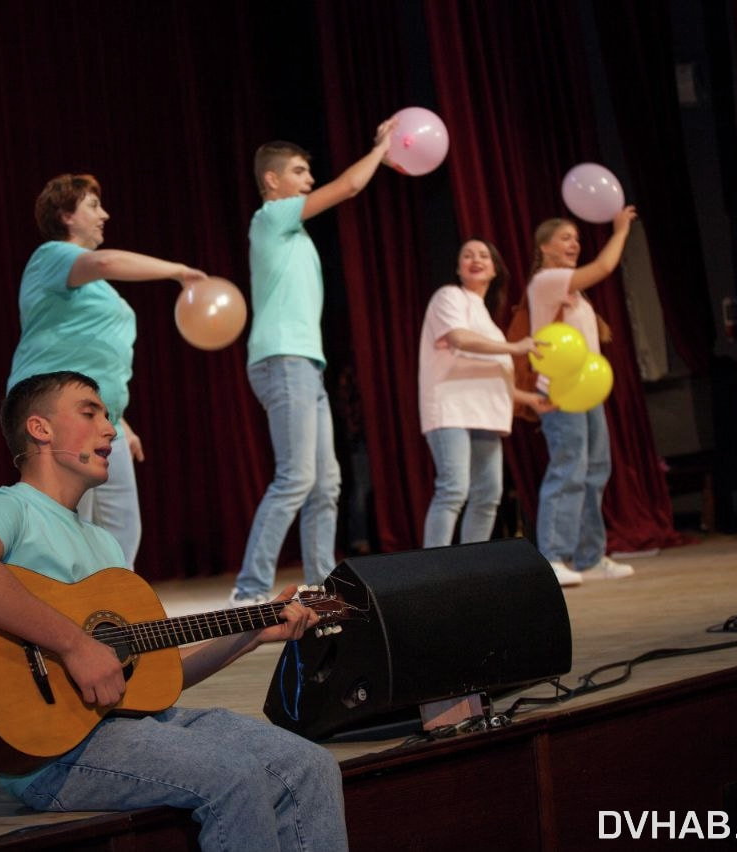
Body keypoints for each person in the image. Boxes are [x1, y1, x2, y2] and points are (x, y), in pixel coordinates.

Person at [0, 371, 347, 851]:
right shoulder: (11, 506)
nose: (109, 429)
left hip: (136, 726)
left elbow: (155, 676)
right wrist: (73, 644)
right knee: (234, 776)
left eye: (108, 417)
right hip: (55, 753)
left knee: (311, 767)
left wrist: (253, 632)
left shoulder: (104, 543)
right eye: (90, 413)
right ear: (40, 429)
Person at [229, 119, 397, 607]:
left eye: (308, 172)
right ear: (272, 181)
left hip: (306, 364)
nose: (308, 179)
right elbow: (348, 186)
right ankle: (251, 588)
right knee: (297, 477)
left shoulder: (294, 234)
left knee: (327, 482)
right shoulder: (271, 217)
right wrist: (381, 147)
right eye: (299, 172)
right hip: (283, 360)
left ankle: (322, 587)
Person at [7, 174, 206, 569]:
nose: (105, 215)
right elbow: (107, 261)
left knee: (120, 530)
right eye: (93, 207)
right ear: (65, 216)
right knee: (73, 528)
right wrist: (179, 271)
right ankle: (61, 623)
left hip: (100, 417)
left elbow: (90, 356)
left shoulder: (98, 291)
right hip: (55, 409)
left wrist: (121, 420)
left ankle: (117, 617)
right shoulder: (51, 257)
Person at [528, 209, 639, 586]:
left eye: (576, 238)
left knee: (595, 471)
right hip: (560, 395)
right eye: (565, 238)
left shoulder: (573, 293)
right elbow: (605, 266)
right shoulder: (546, 281)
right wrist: (621, 229)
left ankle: (590, 556)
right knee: (569, 469)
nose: (574, 243)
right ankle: (553, 556)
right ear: (544, 247)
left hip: (586, 392)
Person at [418, 239, 550, 548]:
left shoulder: (488, 321)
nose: (475, 259)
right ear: (458, 267)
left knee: (488, 494)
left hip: (484, 414)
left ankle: (469, 569)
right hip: (450, 409)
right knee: (453, 489)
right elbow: (459, 339)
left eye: (483, 256)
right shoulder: (449, 296)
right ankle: (431, 571)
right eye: (467, 255)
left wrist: (531, 400)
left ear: (494, 270)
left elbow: (493, 380)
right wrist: (515, 347)